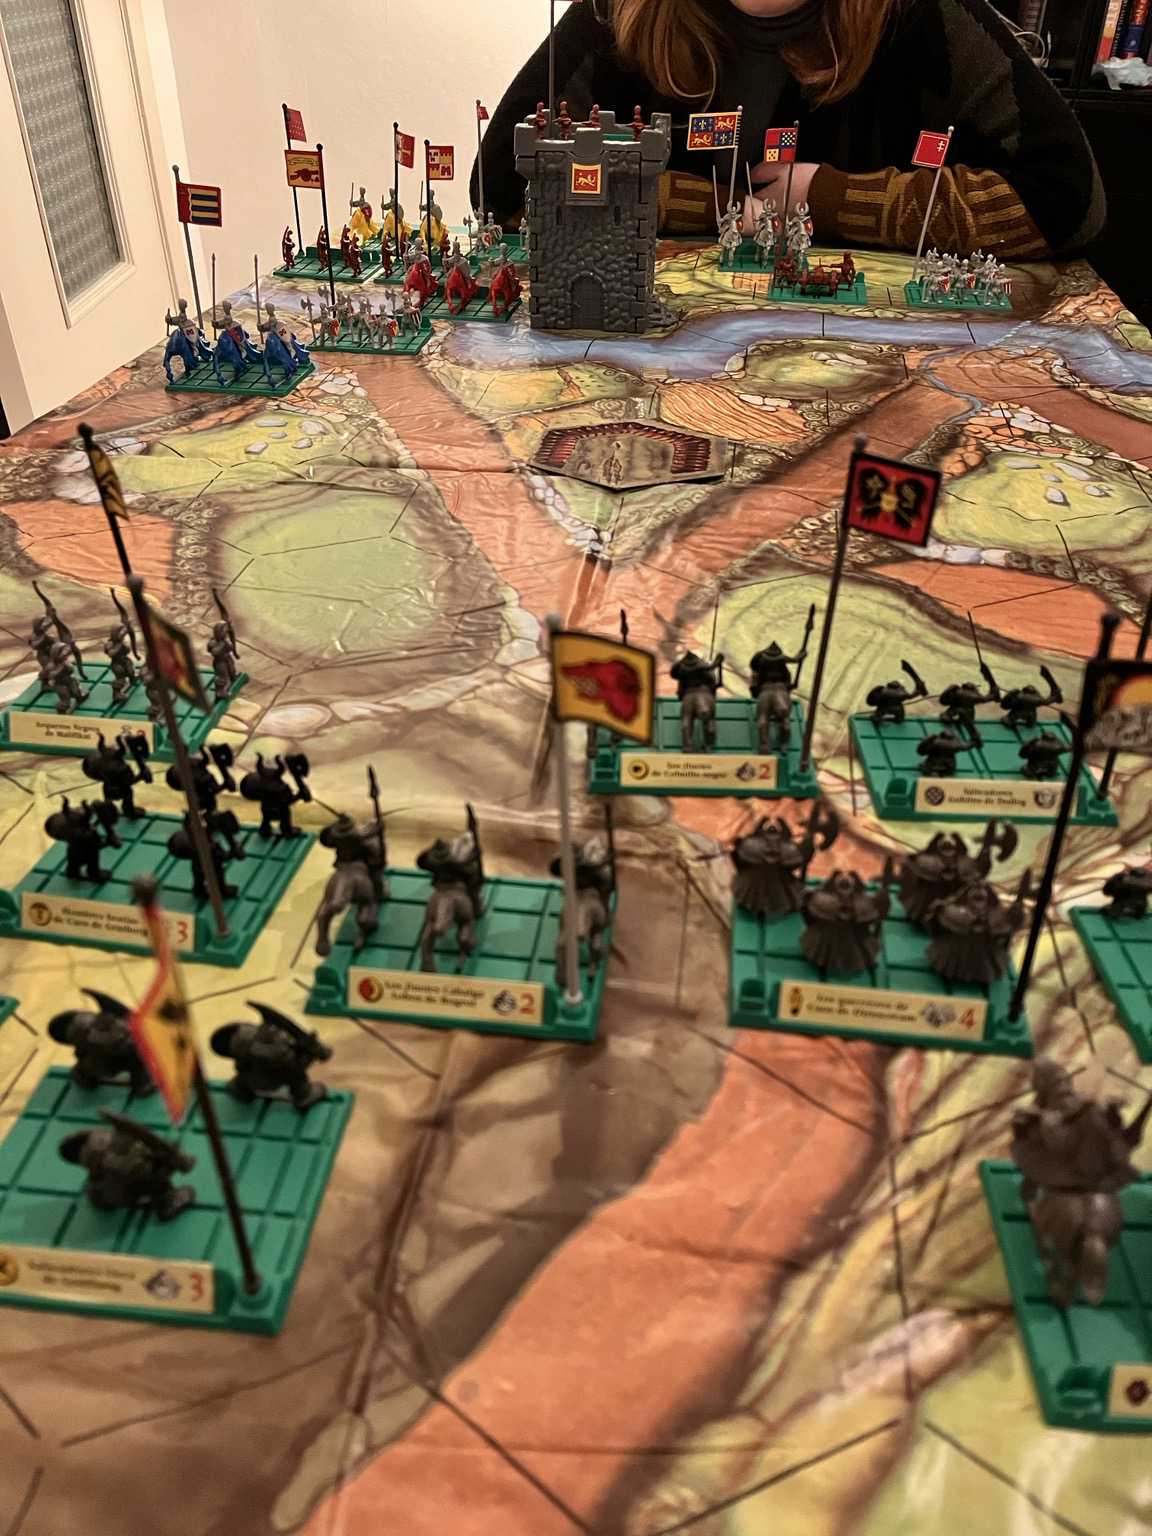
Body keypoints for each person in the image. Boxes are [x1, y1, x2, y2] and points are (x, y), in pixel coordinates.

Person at [473, 0, 1103, 260]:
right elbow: (503, 189)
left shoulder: (925, 14)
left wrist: (825, 199)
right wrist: (719, 208)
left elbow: (1068, 202)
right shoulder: (614, 13)